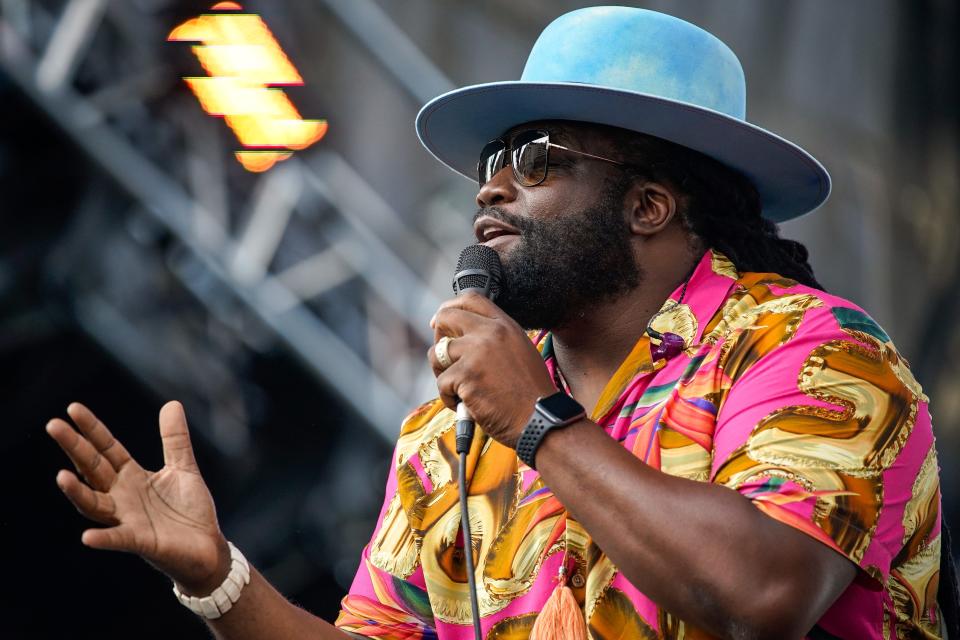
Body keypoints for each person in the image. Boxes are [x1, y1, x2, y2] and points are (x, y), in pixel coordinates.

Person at [47, 6, 954, 640]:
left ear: (647, 205)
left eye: (534, 157)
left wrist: (538, 423)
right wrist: (218, 579)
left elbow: (765, 593)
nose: (491, 184)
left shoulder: (814, 353)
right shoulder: (450, 438)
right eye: (491, 159)